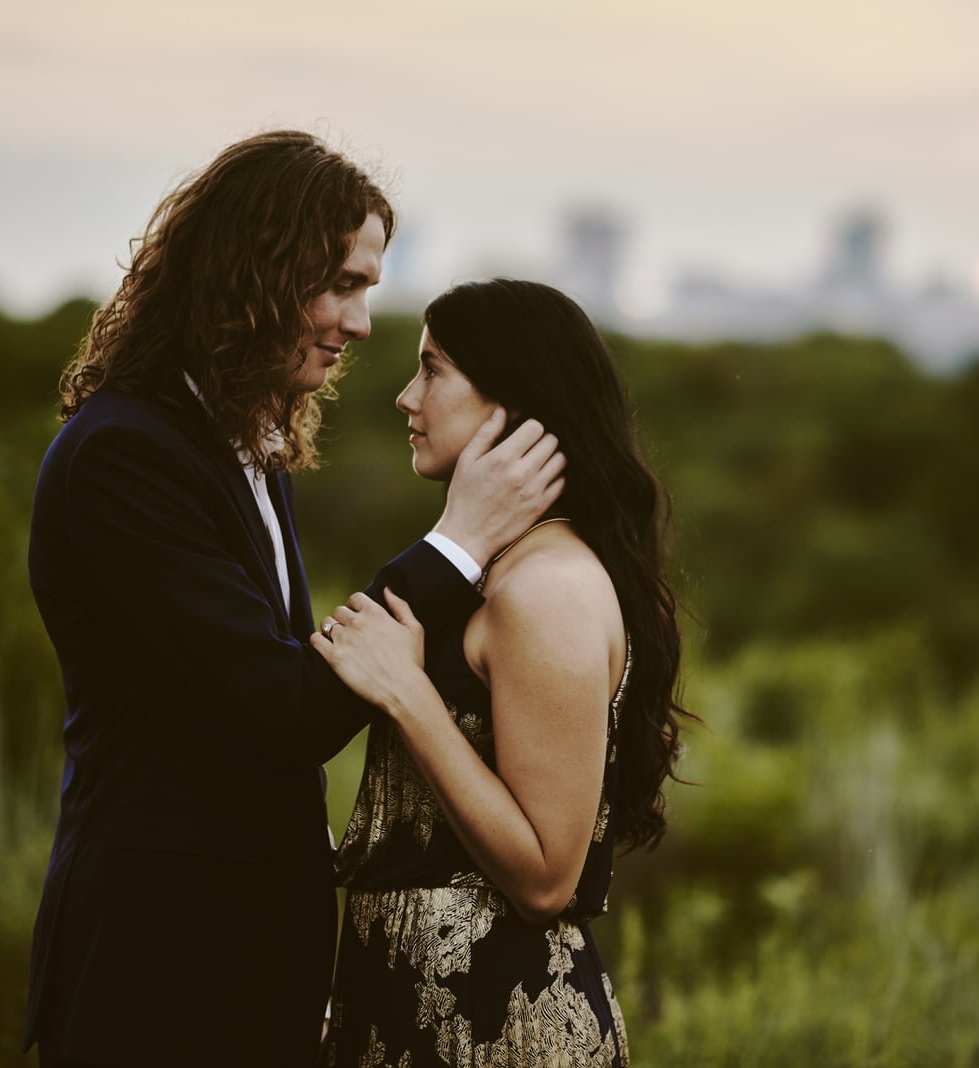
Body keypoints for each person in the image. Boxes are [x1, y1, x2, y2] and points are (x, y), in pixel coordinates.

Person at [23, 133, 565, 1068]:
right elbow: (283, 710)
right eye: (342, 285)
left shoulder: (246, 445)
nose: (360, 323)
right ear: (254, 275)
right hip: (161, 966)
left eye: (368, 289)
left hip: (251, 963)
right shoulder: (125, 456)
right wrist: (459, 542)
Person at [312, 279, 691, 1067]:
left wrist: (409, 695)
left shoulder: (543, 587)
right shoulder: (501, 573)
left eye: (433, 369)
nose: (405, 396)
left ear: (508, 401)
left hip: (497, 1024)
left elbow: (549, 878)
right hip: (415, 1011)